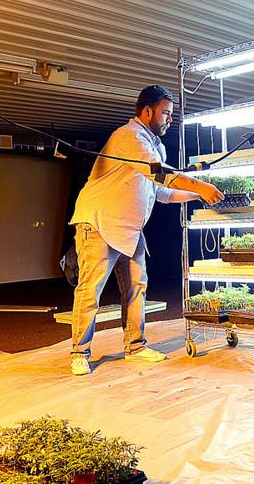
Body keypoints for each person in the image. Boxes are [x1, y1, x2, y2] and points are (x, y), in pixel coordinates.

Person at [67, 85, 224, 375]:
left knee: (137, 287)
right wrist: (200, 185)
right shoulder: (129, 137)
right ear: (147, 111)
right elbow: (159, 173)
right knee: (91, 290)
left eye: (171, 115)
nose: (169, 120)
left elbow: (162, 192)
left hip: (129, 228)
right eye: (165, 113)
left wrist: (199, 194)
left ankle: (135, 347)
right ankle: (80, 352)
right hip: (99, 222)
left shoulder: (155, 146)